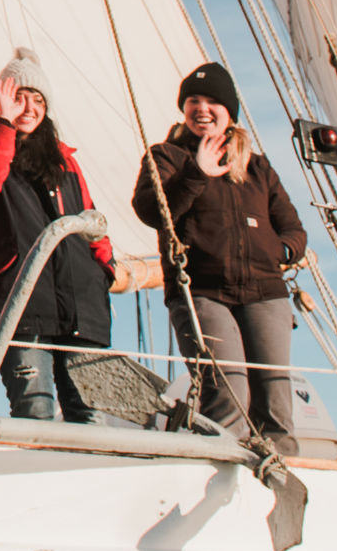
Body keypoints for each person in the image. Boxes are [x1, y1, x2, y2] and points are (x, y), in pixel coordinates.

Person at [131, 60, 309, 454]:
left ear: (229, 112)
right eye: (193, 100)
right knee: (229, 391)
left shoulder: (257, 166)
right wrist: (197, 172)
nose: (202, 109)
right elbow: (151, 211)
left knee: (275, 400)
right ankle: (222, 463)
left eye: (213, 101)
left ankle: (281, 474)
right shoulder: (168, 157)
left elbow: (295, 231)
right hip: (203, 291)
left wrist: (276, 252)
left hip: (265, 292)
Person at [0, 48, 118, 423]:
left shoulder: (65, 160)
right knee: (35, 413)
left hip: (81, 305)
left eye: (37, 99)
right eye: (19, 97)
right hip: (20, 306)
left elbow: (91, 219)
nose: (29, 107)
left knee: (91, 416)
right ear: (2, 100)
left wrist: (103, 266)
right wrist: (4, 124)